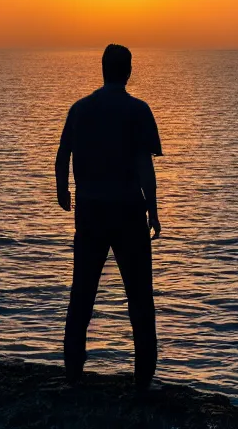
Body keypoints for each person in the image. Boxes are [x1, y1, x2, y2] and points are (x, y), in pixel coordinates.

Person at [55, 43, 163, 391]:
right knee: (139, 297)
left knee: (82, 294)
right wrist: (155, 209)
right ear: (128, 71)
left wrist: (63, 192)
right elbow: (144, 166)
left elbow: (62, 156)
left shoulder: (80, 109)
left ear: (103, 69)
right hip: (129, 211)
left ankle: (73, 374)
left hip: (90, 211)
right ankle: (143, 380)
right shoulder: (138, 111)